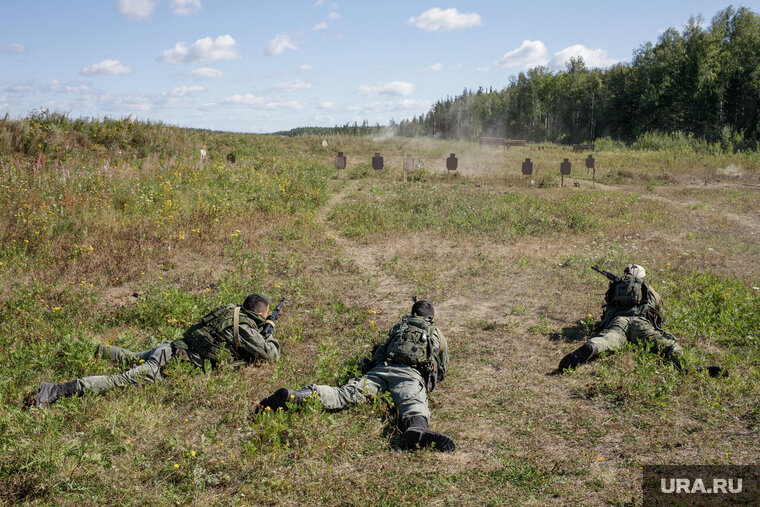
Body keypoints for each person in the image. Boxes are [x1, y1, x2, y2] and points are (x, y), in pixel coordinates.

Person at [257, 299, 455, 452]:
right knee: (412, 403)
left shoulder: (398, 328)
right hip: (409, 375)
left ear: (412, 313)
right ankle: (417, 429)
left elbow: (379, 352)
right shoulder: (436, 333)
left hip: (380, 371)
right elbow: (441, 369)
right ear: (432, 317)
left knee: (343, 395)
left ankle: (301, 395)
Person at [30, 293, 281, 408]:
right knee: (119, 381)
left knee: (128, 357)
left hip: (169, 348)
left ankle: (83, 347)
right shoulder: (246, 328)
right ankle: (54, 390)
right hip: (170, 362)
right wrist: (271, 336)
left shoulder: (229, 311)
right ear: (260, 313)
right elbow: (269, 355)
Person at [558, 265, 726, 377]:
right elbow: (658, 312)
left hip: (619, 321)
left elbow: (608, 308)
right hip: (640, 323)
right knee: (666, 345)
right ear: (643, 277)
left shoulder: (615, 287)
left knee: (609, 339)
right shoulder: (649, 290)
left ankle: (593, 347)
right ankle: (687, 367)